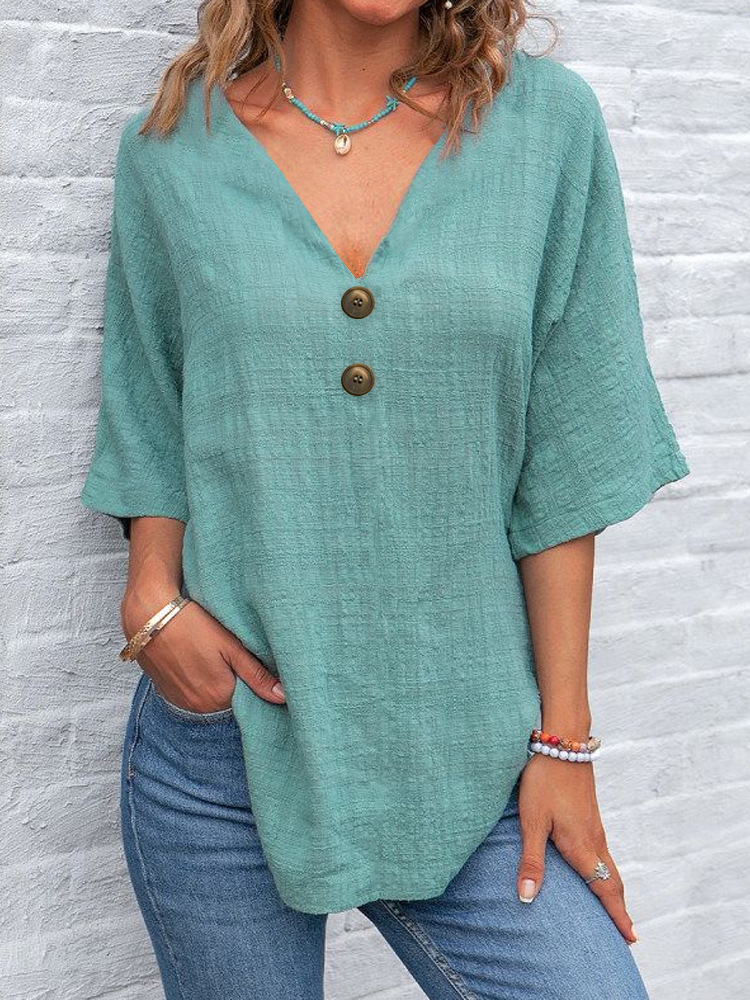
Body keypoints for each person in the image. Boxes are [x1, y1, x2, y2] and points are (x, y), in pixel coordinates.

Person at [79, 0, 691, 996]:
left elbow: (564, 468)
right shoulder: (174, 148)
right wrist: (152, 596)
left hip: (470, 746)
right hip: (229, 744)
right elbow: (150, 403)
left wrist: (564, 742)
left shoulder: (546, 129)